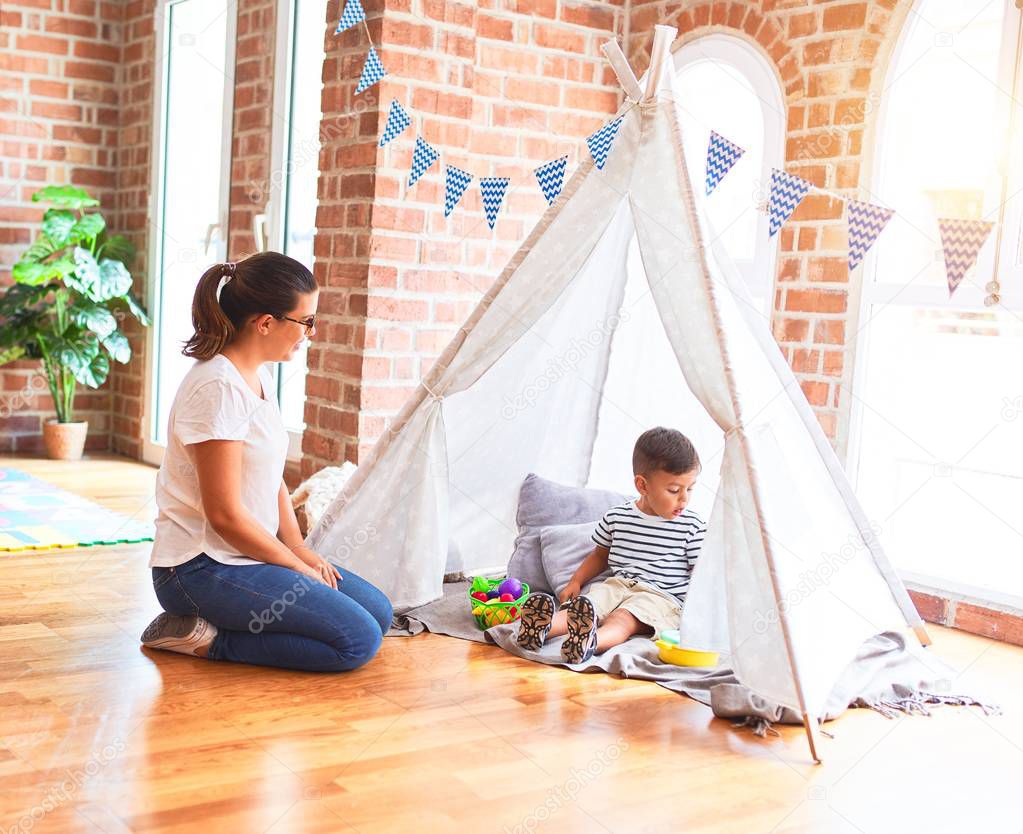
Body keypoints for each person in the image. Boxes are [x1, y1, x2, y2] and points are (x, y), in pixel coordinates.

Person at [140, 252, 392, 672]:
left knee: (378, 613)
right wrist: (294, 566)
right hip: (197, 569)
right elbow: (223, 517)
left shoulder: (256, 375)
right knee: (356, 641)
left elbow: (271, 474)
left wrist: (298, 549)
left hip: (246, 557)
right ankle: (207, 639)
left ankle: (241, 618)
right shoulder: (217, 388)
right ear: (266, 322)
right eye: (306, 321)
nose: (311, 332)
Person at [516, 427, 705, 664]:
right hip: (618, 584)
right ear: (642, 485)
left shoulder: (693, 526)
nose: (684, 499)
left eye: (690, 488)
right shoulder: (617, 517)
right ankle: (540, 626)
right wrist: (576, 581)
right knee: (585, 608)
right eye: (674, 490)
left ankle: (590, 642)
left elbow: (702, 576)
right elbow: (599, 556)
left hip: (661, 597)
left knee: (623, 618)